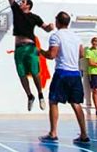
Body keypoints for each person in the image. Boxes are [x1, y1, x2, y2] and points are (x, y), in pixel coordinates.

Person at [3, 0, 54, 111]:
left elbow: (46, 29)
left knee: (35, 72)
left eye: (23, 2)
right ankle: (30, 96)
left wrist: (50, 27)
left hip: (30, 48)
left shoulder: (35, 17)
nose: (21, 2)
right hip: (19, 49)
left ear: (28, 6)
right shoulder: (16, 11)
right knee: (21, 74)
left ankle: (40, 95)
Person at [38, 11, 89, 144]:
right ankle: (84, 134)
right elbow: (82, 54)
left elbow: (51, 55)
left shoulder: (56, 36)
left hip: (62, 73)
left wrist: (40, 51)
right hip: (75, 74)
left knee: (53, 101)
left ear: (58, 22)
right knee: (76, 103)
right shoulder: (76, 37)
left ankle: (53, 133)